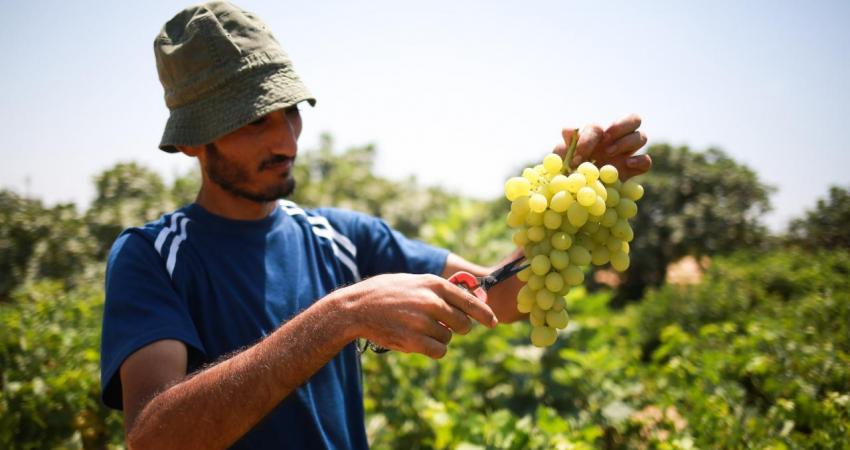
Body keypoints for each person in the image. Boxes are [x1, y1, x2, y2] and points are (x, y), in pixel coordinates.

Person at [99, 1, 652, 449]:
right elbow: (153, 440)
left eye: (290, 111)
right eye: (252, 122)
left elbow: (499, 300)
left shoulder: (339, 237)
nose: (286, 141)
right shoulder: (151, 257)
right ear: (193, 140)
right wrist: (342, 315)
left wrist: (570, 208)